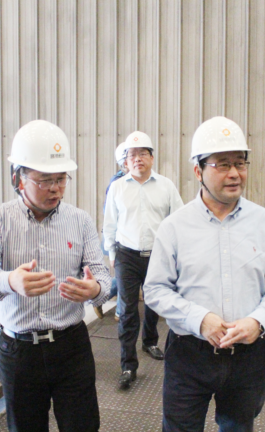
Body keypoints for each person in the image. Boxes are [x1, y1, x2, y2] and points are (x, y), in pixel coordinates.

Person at [144, 116, 265, 431]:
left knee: (238, 426)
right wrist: (200, 319)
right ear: (198, 171)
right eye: (223, 164)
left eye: (240, 163)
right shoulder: (175, 227)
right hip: (190, 354)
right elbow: (156, 289)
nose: (234, 173)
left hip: (249, 356)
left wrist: (257, 321)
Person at [0, 120, 111, 432]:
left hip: (71, 346)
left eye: (61, 179)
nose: (55, 188)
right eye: (45, 180)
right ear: (18, 178)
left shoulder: (80, 221)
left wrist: (94, 289)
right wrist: (10, 281)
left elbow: (102, 275)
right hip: (19, 352)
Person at [103, 131, 184, 389]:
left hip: (157, 254)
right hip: (126, 255)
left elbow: (178, 220)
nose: (137, 159)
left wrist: (176, 254)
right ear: (126, 161)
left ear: (151, 157)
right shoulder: (117, 188)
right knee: (127, 309)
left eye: (143, 154)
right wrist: (112, 255)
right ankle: (128, 365)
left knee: (153, 303)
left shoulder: (166, 186)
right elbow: (109, 224)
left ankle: (150, 342)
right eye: (132, 155)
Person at [94, 142, 129, 321]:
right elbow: (109, 214)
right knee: (126, 276)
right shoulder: (118, 183)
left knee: (127, 276)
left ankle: (103, 298)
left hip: (122, 237)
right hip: (118, 238)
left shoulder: (125, 180)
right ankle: (119, 311)